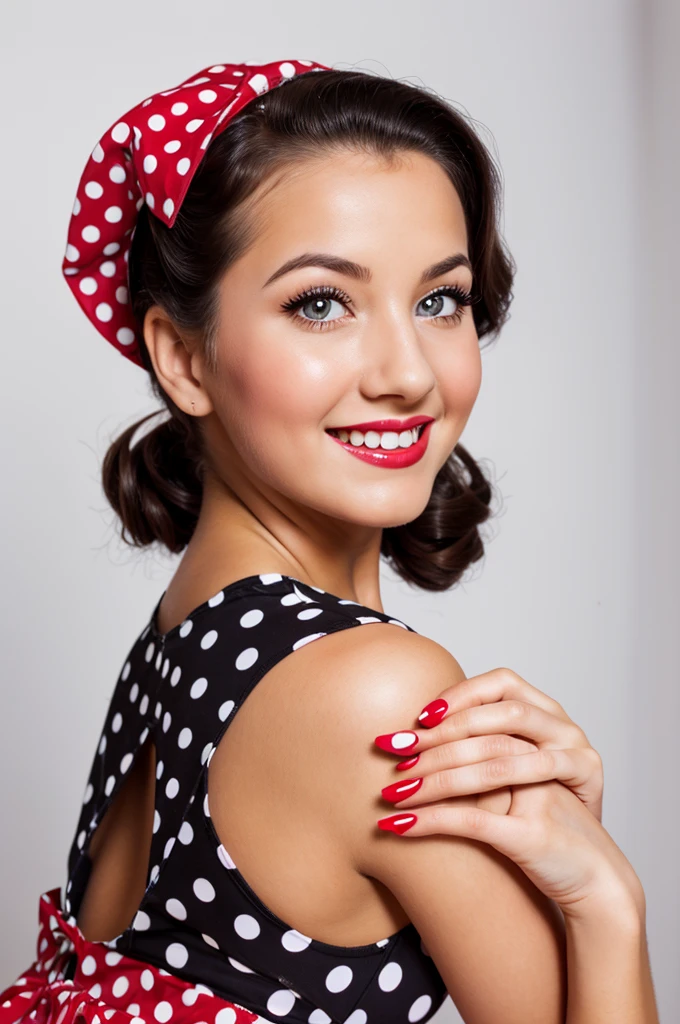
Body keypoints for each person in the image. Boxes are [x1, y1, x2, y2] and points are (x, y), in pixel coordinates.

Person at [0, 58, 658, 1024]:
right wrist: (607, 905)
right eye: (321, 302)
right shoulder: (369, 693)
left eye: (441, 300)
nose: (406, 373)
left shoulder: (184, 641)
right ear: (183, 357)